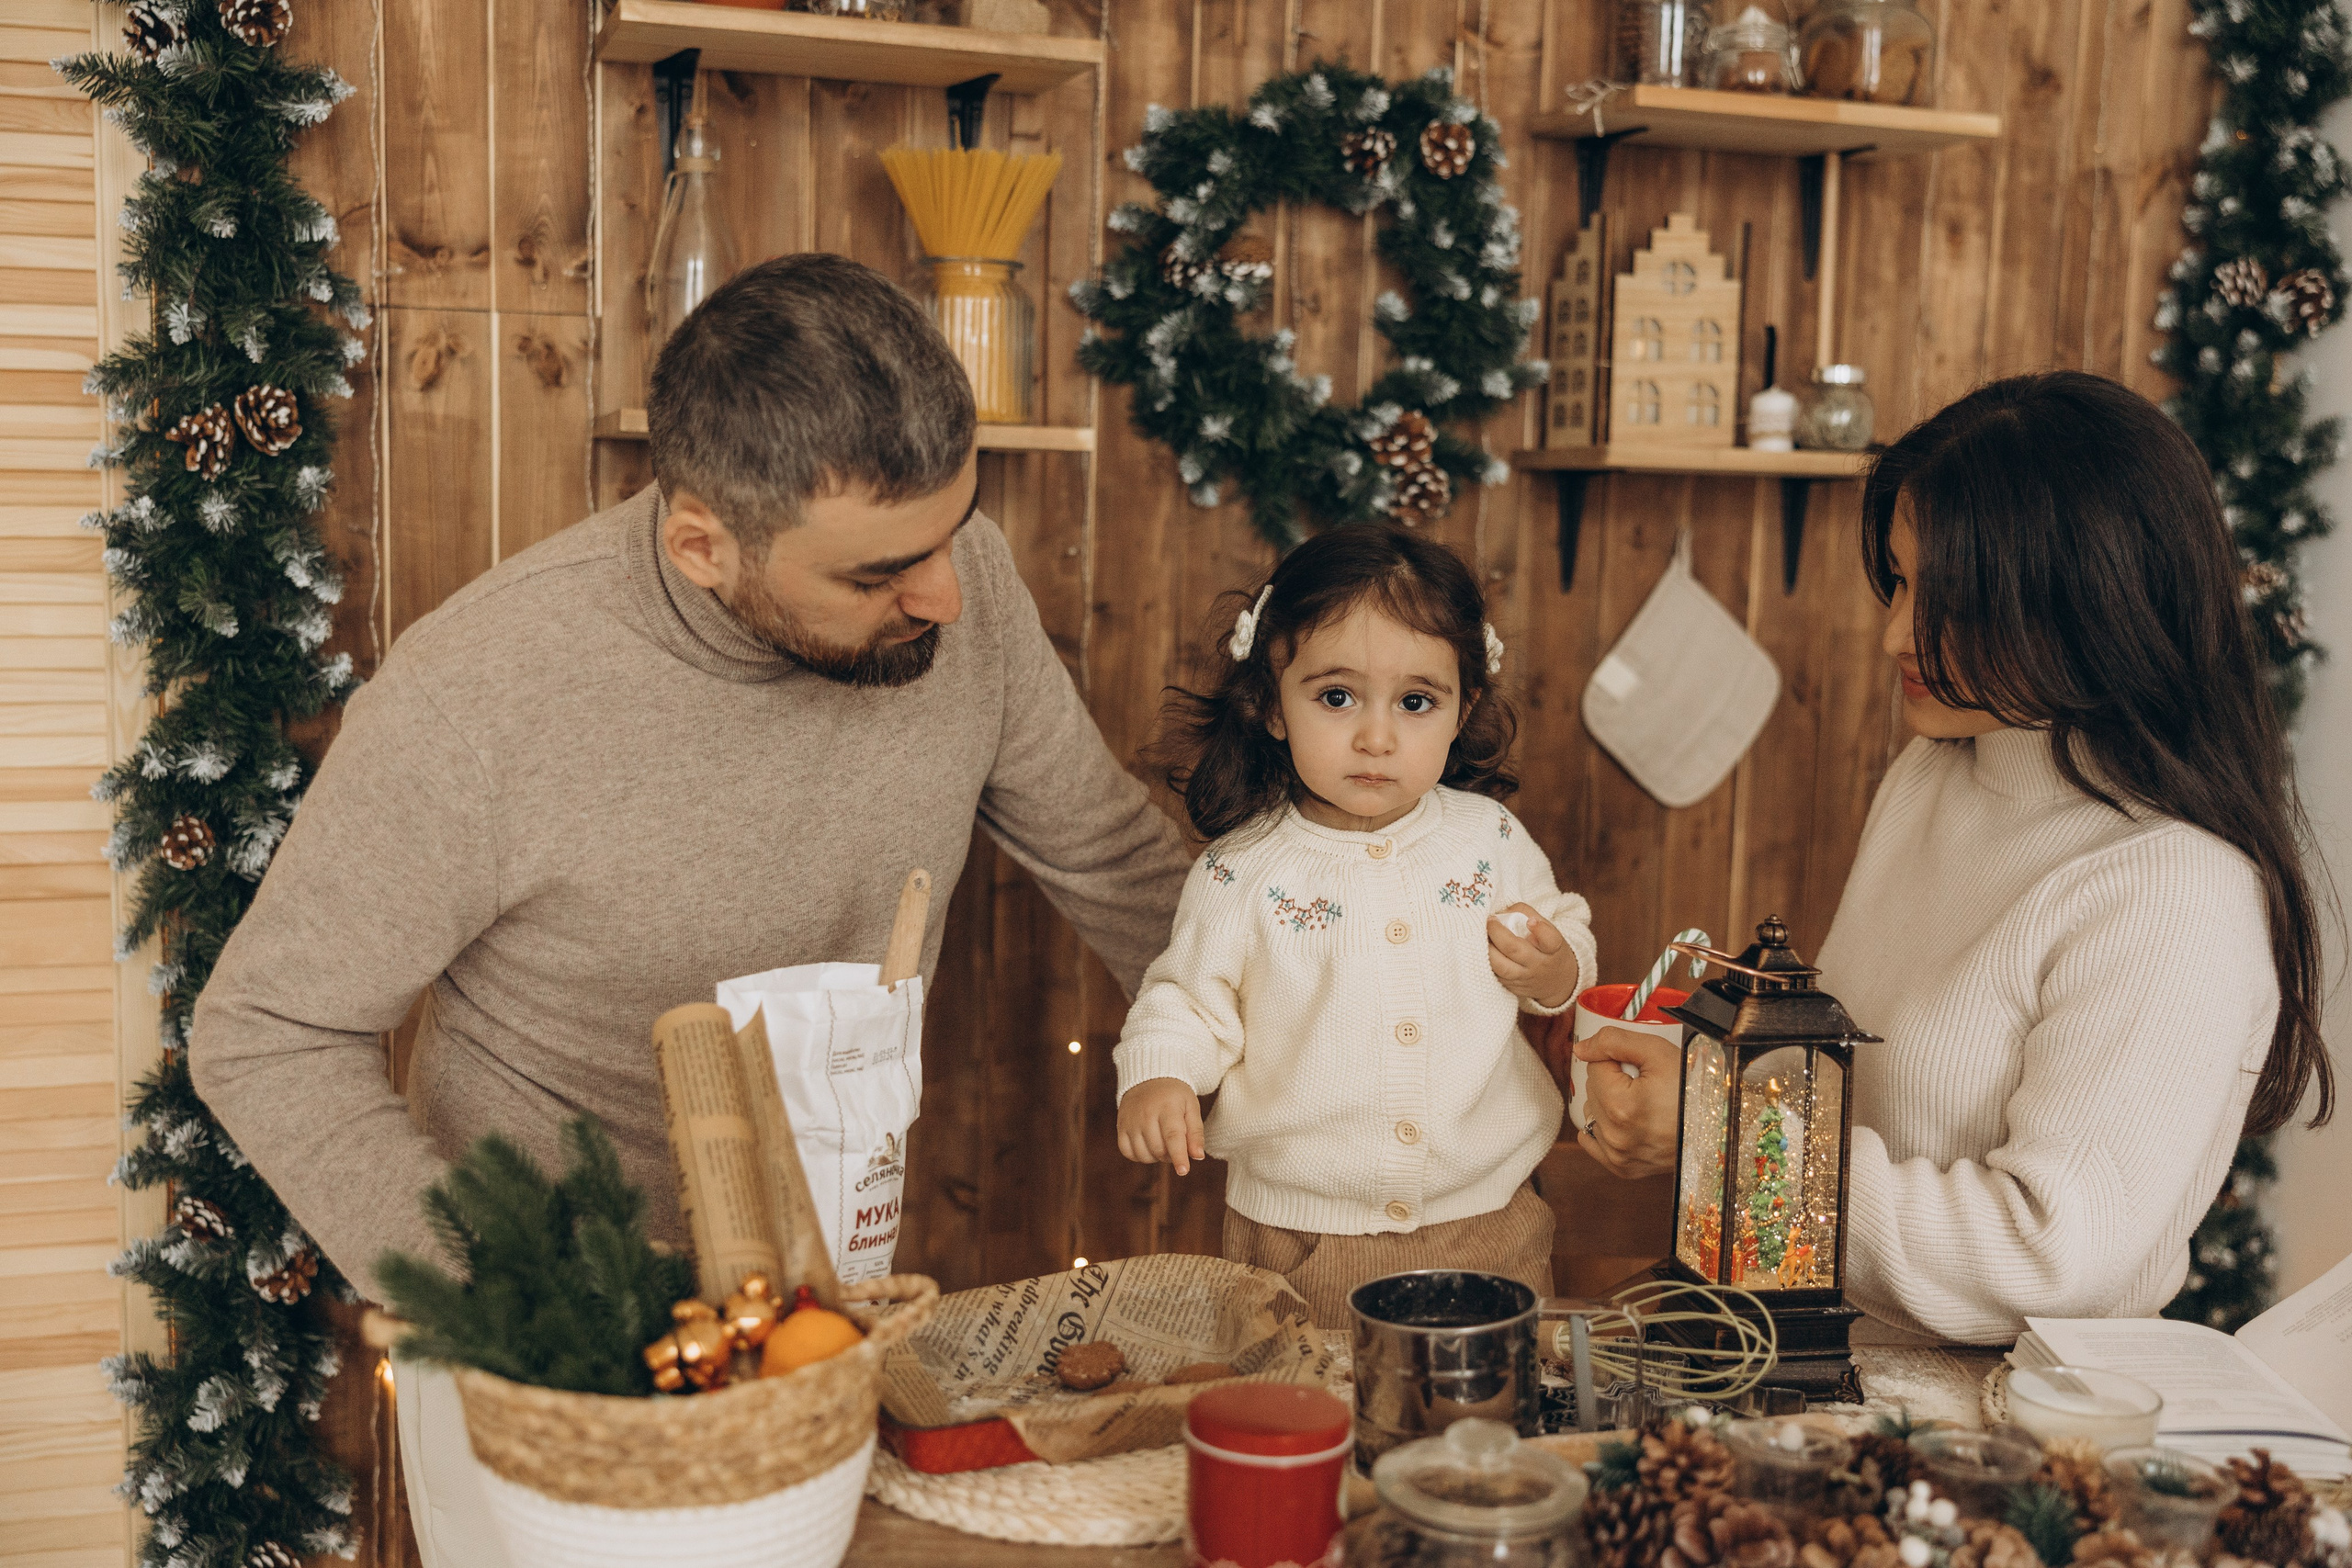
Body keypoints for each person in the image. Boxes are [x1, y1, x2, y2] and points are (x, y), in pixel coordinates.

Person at [188, 254, 1192, 1558]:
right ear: (703, 542)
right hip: (553, 1368)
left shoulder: (961, 580)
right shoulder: (476, 695)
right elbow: (264, 1030)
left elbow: (1115, 857)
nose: (947, 592)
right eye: (885, 572)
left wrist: (1312, 1023)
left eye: (958, 530)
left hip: (835, 1322)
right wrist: (520, 1310)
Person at [1571, 370, 2335, 1344]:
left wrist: (1723, 1145)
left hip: (2005, 1435)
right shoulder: (1937, 774)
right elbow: (1868, 1109)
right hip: (1817, 1362)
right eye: (1899, 580)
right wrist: (1702, 1089)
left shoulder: (2173, 892)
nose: (1896, 632)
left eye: (1956, 600)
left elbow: (2051, 1263)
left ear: (2094, 602)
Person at [1114, 526, 1596, 1326]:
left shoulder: (1488, 840)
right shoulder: (1243, 872)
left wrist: (1554, 971)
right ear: (1271, 703)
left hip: (1489, 1220)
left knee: (1486, 1427)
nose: (1377, 737)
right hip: (1297, 1237)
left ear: (1461, 708)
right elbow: (1185, 1001)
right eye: (1336, 697)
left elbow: (1562, 931)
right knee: (1313, 1417)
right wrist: (1161, 1074)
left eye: (1416, 702)